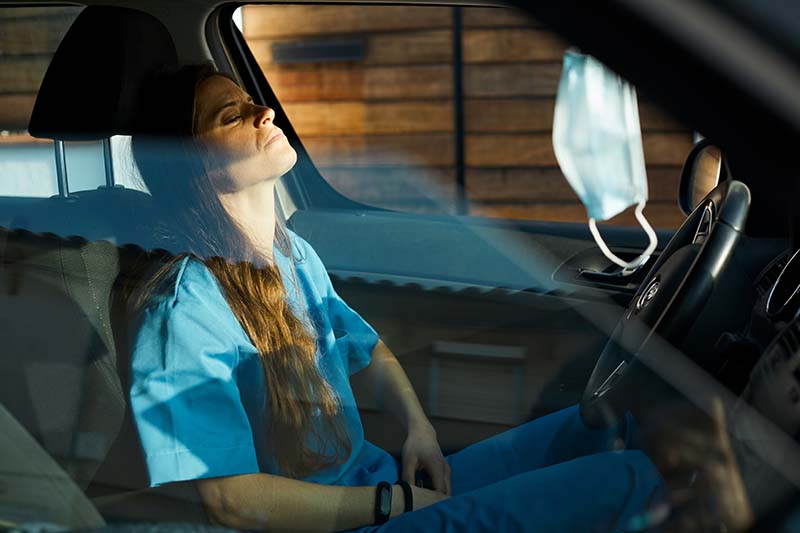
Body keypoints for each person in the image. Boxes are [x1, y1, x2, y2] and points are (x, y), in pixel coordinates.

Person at [126, 64, 667, 532]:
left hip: (379, 486)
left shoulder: (292, 257)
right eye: (232, 115)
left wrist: (419, 429)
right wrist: (396, 504)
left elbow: (368, 348)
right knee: (630, 480)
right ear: (189, 167)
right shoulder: (183, 311)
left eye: (251, 102)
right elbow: (231, 502)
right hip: (353, 522)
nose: (264, 111)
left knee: (609, 421)